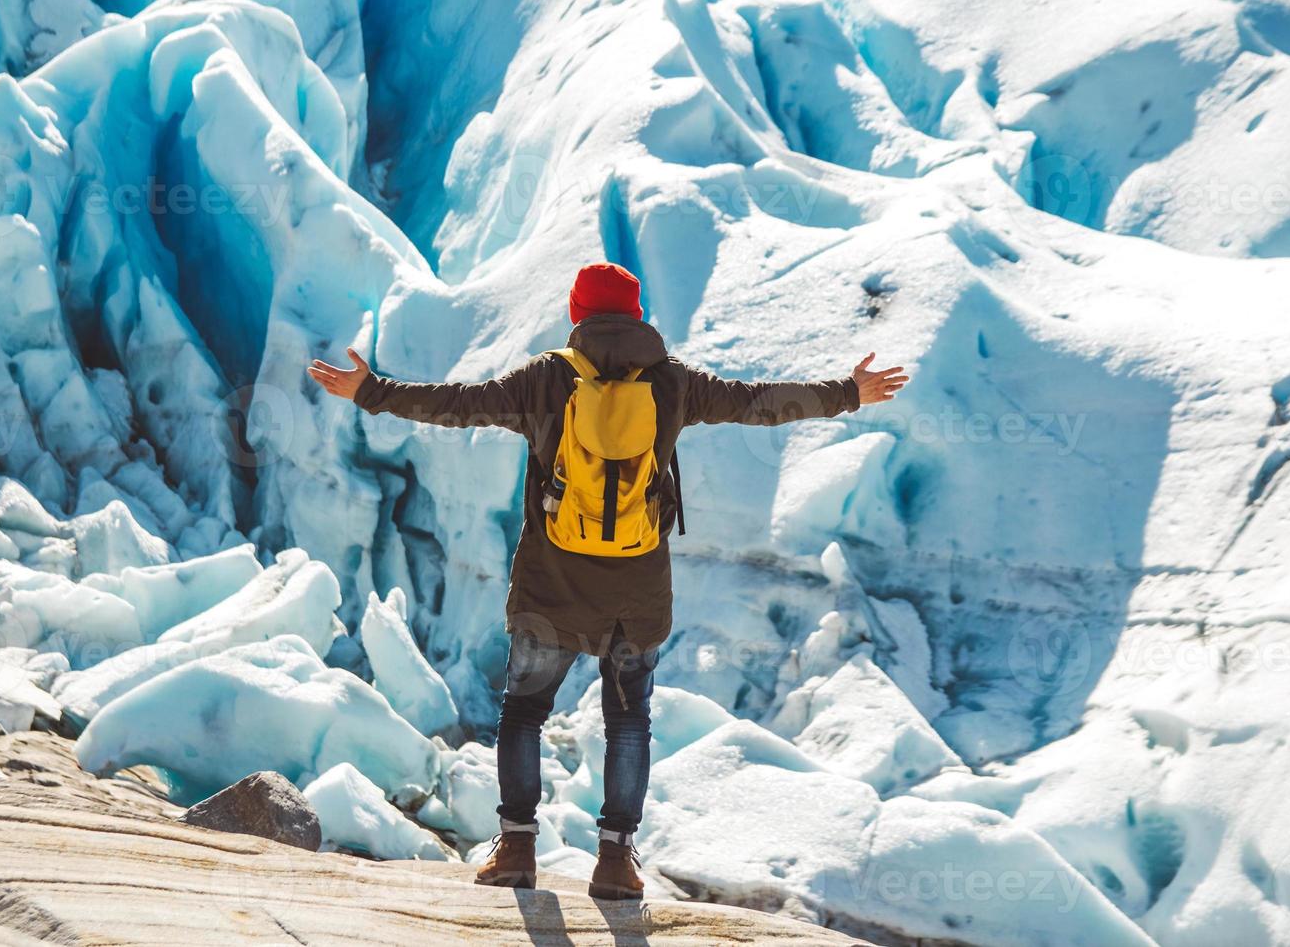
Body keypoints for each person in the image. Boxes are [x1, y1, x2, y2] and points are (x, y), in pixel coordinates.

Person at [307, 263, 908, 899]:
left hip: (551, 584)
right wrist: (848, 391)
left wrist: (371, 391)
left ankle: (515, 849)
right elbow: (757, 402)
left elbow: (460, 405)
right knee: (627, 723)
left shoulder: (548, 377)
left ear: (579, 314)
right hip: (636, 590)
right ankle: (616, 861)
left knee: (524, 714)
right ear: (636, 313)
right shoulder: (673, 382)